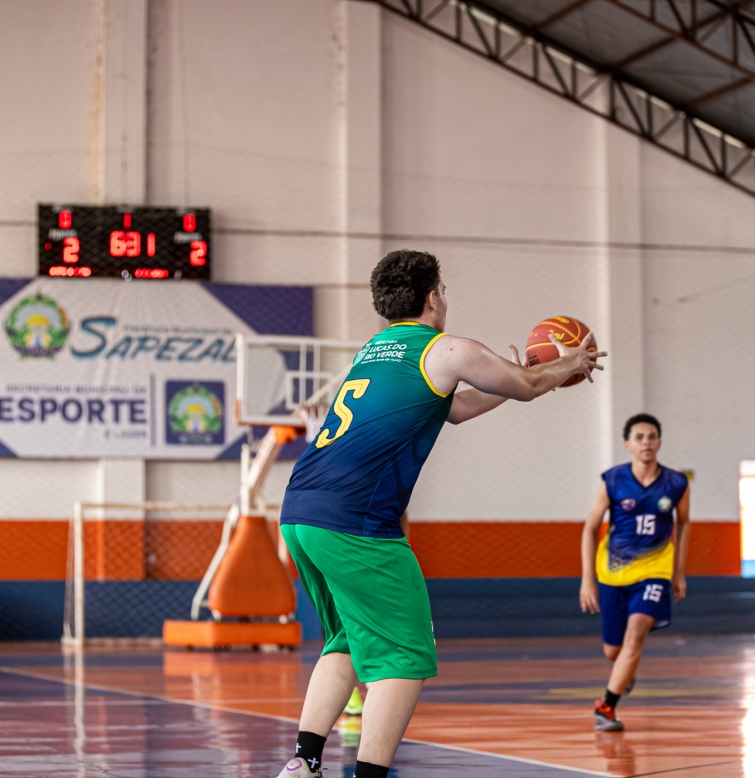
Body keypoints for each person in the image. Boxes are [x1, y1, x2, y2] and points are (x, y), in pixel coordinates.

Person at [275, 250, 607, 778]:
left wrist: (526, 375)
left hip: (301, 510)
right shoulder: (448, 349)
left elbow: (456, 407)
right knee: (403, 657)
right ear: (433, 297)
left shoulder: (373, 352)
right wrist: (568, 362)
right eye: (444, 291)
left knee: (346, 640)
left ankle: (304, 763)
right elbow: (525, 387)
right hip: (355, 521)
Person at [579, 413, 690, 732]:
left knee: (635, 633)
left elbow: (683, 525)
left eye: (652, 436)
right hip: (613, 572)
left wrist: (678, 572)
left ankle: (605, 707)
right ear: (628, 444)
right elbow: (589, 529)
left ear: (660, 442)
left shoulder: (676, 483)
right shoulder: (613, 480)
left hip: (655, 570)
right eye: (639, 437)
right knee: (613, 650)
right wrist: (587, 580)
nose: (646, 442)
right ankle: (624, 672)